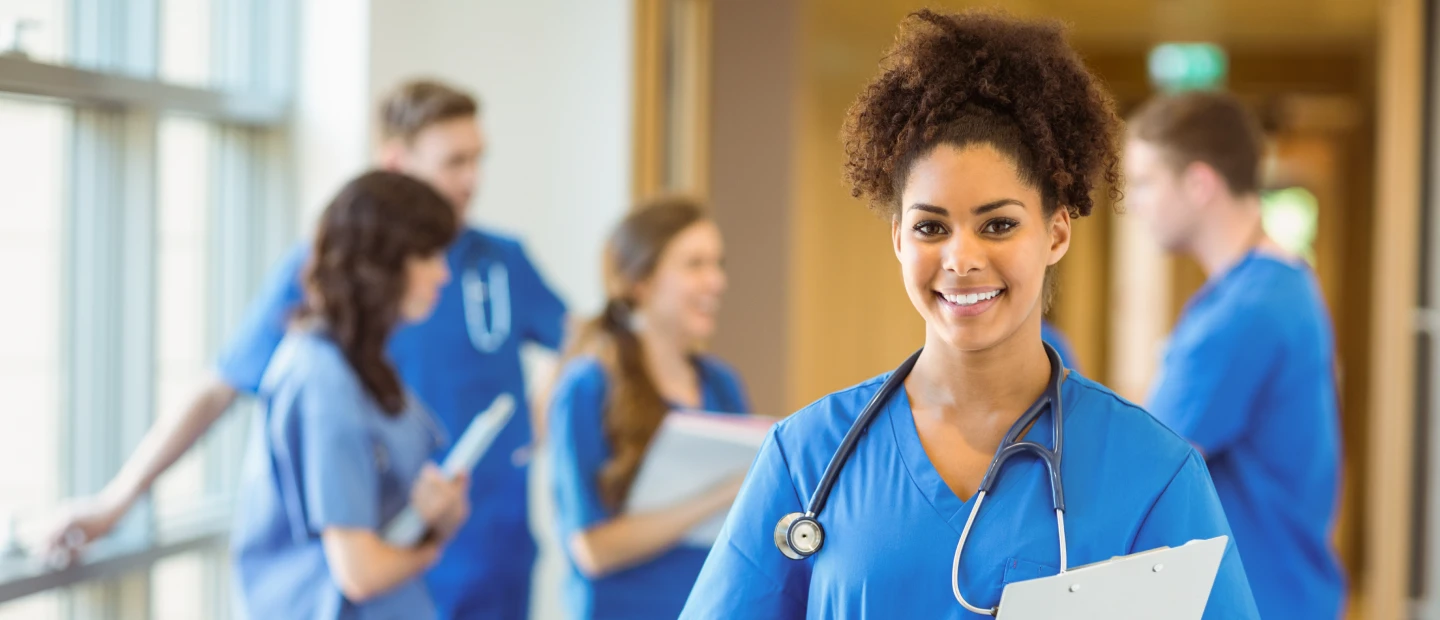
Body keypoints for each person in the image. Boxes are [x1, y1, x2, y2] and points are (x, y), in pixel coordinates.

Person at [679, 10, 1258, 618]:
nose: (961, 259)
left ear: (1057, 232)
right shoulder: (808, 458)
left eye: (998, 224)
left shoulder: (1153, 474)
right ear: (899, 239)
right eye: (931, 226)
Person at [45, 79, 567, 619]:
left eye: (478, 160)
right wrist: (118, 500)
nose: (472, 180)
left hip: (478, 550)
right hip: (365, 576)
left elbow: (580, 340)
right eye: (454, 162)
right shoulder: (324, 337)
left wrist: (531, 430)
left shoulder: (495, 262)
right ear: (394, 163)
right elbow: (221, 387)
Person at [1126, 91, 1345, 619]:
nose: (1134, 203)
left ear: (1200, 184)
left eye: (1145, 182)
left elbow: (1143, 467)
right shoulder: (1283, 283)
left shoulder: (1244, 312)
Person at [232, 170, 469, 618]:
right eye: (428, 255)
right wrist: (430, 553)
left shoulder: (363, 361)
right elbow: (360, 572)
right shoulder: (321, 380)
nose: (443, 274)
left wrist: (438, 518)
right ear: (381, 262)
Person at [548, 197, 751, 619]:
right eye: (695, 265)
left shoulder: (722, 384)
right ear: (640, 282)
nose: (716, 281)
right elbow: (593, 549)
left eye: (719, 264)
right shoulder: (587, 388)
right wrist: (723, 494)